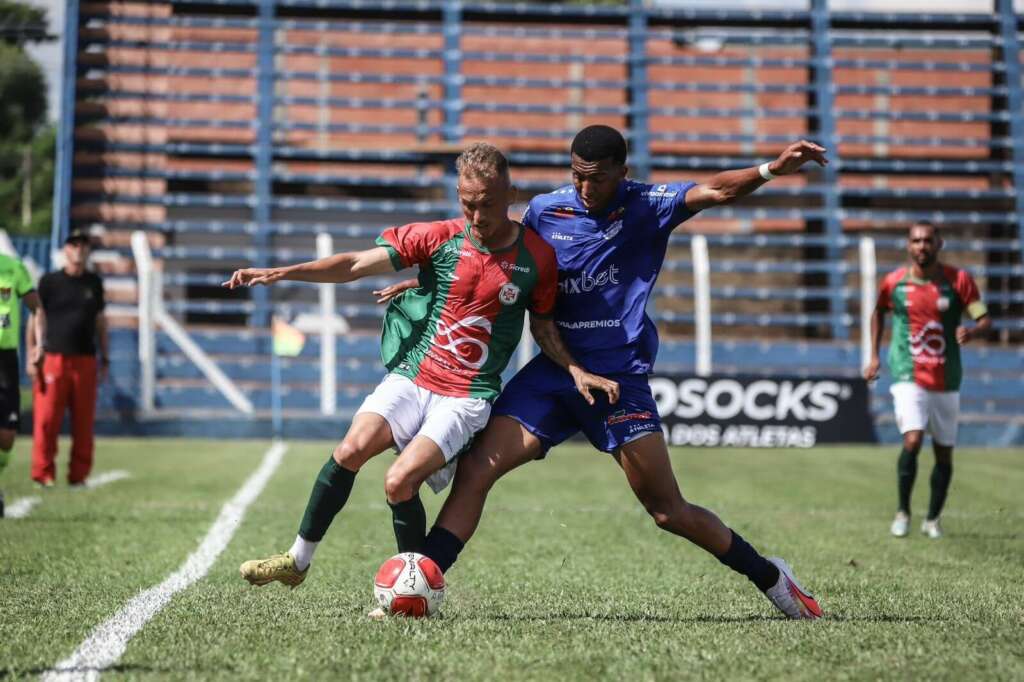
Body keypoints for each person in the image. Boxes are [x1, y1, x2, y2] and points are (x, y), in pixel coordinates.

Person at [400, 125, 827, 619]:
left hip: (617, 380)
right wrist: (426, 279)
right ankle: (419, 581)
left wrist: (771, 169)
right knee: (476, 470)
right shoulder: (545, 210)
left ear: (623, 174)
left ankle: (773, 577)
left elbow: (716, 189)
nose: (586, 188)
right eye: (578, 177)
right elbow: (500, 255)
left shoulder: (649, 204)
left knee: (668, 511)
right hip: (557, 369)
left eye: (598, 179)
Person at [227, 143, 619, 603]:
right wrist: (284, 272)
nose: (477, 216)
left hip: (467, 395)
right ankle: (298, 560)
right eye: (467, 203)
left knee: (398, 482)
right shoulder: (438, 237)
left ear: (511, 194)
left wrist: (574, 369)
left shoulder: (537, 257)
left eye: (488, 205)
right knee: (350, 449)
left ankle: (413, 591)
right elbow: (355, 264)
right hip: (415, 375)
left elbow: (545, 324)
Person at [863, 221, 990, 540]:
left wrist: (972, 331)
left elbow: (983, 317)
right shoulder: (894, 282)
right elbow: (878, 312)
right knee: (913, 440)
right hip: (908, 372)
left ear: (939, 244)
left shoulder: (959, 281)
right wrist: (875, 356)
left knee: (944, 453)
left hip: (947, 377)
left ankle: (933, 519)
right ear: (909, 246)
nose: (922, 246)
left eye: (928, 241)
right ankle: (903, 512)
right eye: (916, 241)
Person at [27, 229, 108, 488]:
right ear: (66, 250)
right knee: (47, 420)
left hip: (85, 360)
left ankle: (79, 476)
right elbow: (35, 317)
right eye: (74, 244)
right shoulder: (49, 282)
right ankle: (43, 473)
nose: (79, 249)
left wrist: (105, 357)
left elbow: (100, 322)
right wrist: (32, 352)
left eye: (83, 245)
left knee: (83, 423)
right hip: (53, 359)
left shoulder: (94, 283)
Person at [0, 253, 44, 517]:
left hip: (6, 359)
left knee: (6, 438)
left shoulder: (14, 268)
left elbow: (36, 308)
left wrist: (39, 343)